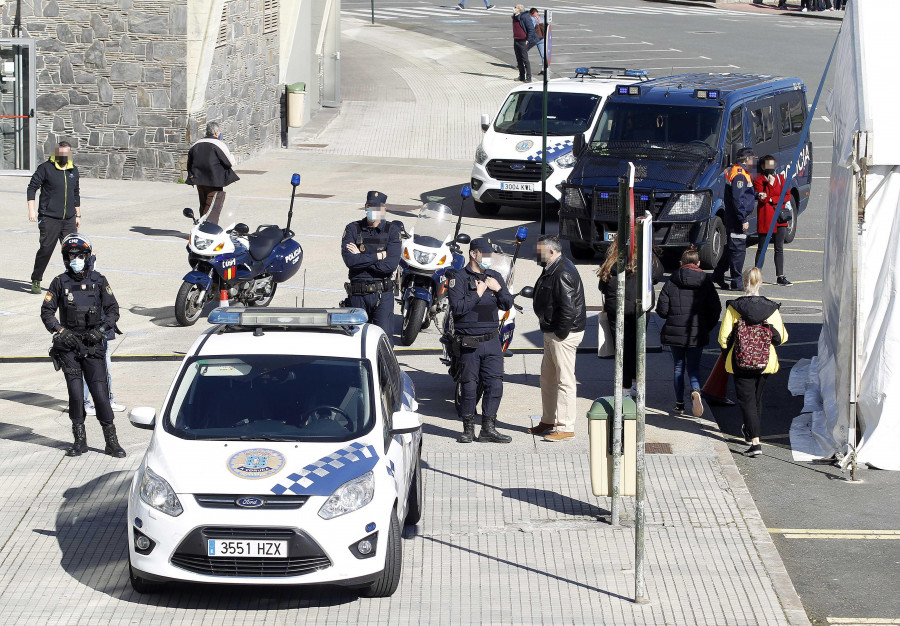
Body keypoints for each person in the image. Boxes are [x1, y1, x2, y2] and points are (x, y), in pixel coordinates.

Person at [41, 234, 126, 458]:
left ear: (87, 257)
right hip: (69, 346)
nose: (76, 259)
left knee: (100, 394)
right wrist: (60, 331)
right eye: (71, 256)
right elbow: (47, 312)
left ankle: (111, 441)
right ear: (66, 259)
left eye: (80, 256)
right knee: (76, 394)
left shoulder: (99, 281)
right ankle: (80, 441)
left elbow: (113, 310)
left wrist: (101, 330)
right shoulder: (59, 282)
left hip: (93, 344)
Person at [447, 238, 514, 444]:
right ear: (473, 254)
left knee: (495, 385)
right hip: (469, 342)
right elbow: (457, 309)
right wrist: (478, 293)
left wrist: (499, 289)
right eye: (485, 255)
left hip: (492, 340)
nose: (488, 259)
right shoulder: (457, 278)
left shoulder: (494, 276)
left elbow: (507, 304)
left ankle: (488, 428)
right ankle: (468, 429)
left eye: (490, 255)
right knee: (469, 386)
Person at [718, 267, 788, 458]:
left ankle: (755, 442)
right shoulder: (771, 308)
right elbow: (781, 337)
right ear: (761, 283)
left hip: (740, 361)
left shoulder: (735, 308)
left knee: (747, 401)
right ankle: (750, 433)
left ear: (743, 282)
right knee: (756, 399)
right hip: (765, 361)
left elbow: (723, 338)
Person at [529, 235, 586, 442]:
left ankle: (565, 426)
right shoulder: (553, 267)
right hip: (552, 331)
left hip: (562, 334)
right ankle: (548, 420)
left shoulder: (562, 272)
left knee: (564, 381)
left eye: (540, 251)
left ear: (551, 252)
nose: (537, 255)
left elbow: (568, 310)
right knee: (547, 378)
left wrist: (560, 334)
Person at [656, 247, 722, 417]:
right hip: (697, 331)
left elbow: (662, 310)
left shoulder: (671, 281)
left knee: (678, 367)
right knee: (693, 367)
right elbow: (716, 308)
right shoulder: (706, 281)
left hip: (675, 332)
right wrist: (706, 326)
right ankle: (695, 391)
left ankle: (679, 404)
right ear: (698, 263)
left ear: (681, 263)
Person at [597, 236, 663, 397]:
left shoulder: (611, 262)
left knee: (621, 349)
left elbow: (602, 285)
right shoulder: (646, 260)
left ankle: (625, 387)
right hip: (639, 309)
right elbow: (657, 276)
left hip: (617, 310)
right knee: (637, 348)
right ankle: (635, 382)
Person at [341, 191, 402, 344]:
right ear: (365, 207)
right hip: (357, 294)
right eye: (370, 206)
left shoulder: (392, 231)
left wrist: (361, 257)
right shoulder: (352, 229)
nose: (373, 211)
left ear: (384, 210)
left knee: (383, 342)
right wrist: (378, 255)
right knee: (354, 341)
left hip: (382, 295)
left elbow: (389, 266)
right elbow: (350, 261)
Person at [27, 141, 81, 295]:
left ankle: (73, 280)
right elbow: (32, 188)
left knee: (73, 250)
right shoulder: (46, 168)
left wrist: (78, 215)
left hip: (69, 218)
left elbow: (75, 193)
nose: (64, 156)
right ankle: (36, 279)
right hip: (49, 217)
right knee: (46, 249)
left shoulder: (73, 170)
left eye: (66, 153)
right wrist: (32, 211)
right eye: (61, 153)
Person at [81, 255, 126, 416]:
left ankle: (107, 401)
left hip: (101, 333)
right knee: (87, 370)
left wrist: (104, 329)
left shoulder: (99, 280)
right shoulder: (71, 282)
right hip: (84, 335)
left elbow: (111, 307)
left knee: (105, 369)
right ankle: (84, 403)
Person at [713, 147, 757, 292]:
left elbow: (743, 194)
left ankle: (718, 275)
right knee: (738, 250)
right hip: (736, 218)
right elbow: (738, 199)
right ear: (746, 160)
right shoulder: (739, 175)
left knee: (731, 248)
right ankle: (736, 282)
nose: (753, 161)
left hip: (733, 217)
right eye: (751, 159)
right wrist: (743, 218)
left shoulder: (737, 171)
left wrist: (756, 195)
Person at [185, 122, 240, 216]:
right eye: (219, 131)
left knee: (203, 204)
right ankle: (207, 227)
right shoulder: (219, 144)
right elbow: (230, 162)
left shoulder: (196, 144)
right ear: (216, 133)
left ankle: (201, 225)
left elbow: (189, 163)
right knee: (212, 206)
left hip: (199, 180)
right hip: (214, 180)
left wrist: (192, 175)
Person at [753, 154, 792, 286]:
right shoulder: (759, 181)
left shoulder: (780, 178)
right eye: (768, 165)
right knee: (762, 248)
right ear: (763, 166)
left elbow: (786, 195)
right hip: (766, 218)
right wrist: (770, 186)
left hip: (780, 217)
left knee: (779, 248)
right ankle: (756, 275)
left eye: (773, 165)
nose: (771, 168)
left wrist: (771, 198)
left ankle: (780, 276)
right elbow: (762, 198)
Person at [512, 4, 534, 83]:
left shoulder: (524, 17)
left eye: (516, 7)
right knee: (519, 59)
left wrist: (528, 39)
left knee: (525, 59)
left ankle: (529, 77)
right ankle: (521, 76)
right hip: (516, 40)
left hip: (523, 40)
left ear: (519, 9)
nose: (514, 8)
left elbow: (531, 29)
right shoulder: (514, 16)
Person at [528, 8, 546, 73]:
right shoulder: (542, 19)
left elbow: (530, 29)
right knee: (543, 55)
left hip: (534, 38)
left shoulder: (531, 19)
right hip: (542, 38)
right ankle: (544, 69)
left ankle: (522, 64)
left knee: (524, 50)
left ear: (531, 13)